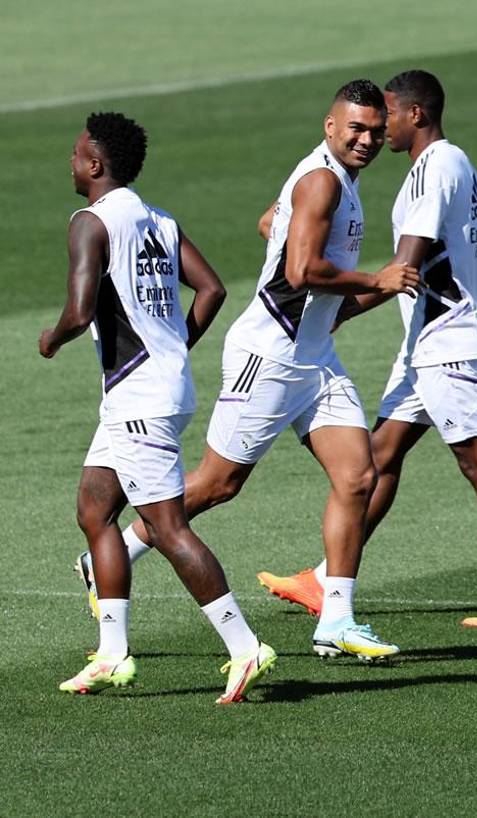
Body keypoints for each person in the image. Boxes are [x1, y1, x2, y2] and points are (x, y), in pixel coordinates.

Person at [73, 81, 418, 661]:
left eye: (375, 130)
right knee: (217, 484)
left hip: (313, 358)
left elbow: (270, 224)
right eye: (354, 128)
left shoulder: (333, 182)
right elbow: (304, 270)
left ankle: (336, 620)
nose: (366, 139)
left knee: (358, 476)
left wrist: (289, 233)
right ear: (330, 127)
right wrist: (375, 280)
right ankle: (113, 552)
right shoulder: (321, 180)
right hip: (271, 355)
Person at [257, 70, 477, 628]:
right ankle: (326, 579)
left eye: (387, 115)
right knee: (380, 456)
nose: (376, 129)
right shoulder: (438, 165)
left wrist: (346, 303)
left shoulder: (437, 165)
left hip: (447, 339)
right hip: (424, 341)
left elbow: (405, 270)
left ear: (415, 114)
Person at [43, 113, 275, 702]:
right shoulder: (158, 220)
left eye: (76, 155)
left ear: (95, 165)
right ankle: (113, 653)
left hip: (139, 395)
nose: (70, 163)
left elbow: (78, 311)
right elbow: (213, 288)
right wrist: (173, 349)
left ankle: (244, 646)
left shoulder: (90, 222)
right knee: (95, 510)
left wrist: (50, 339)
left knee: (168, 528)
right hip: (148, 390)